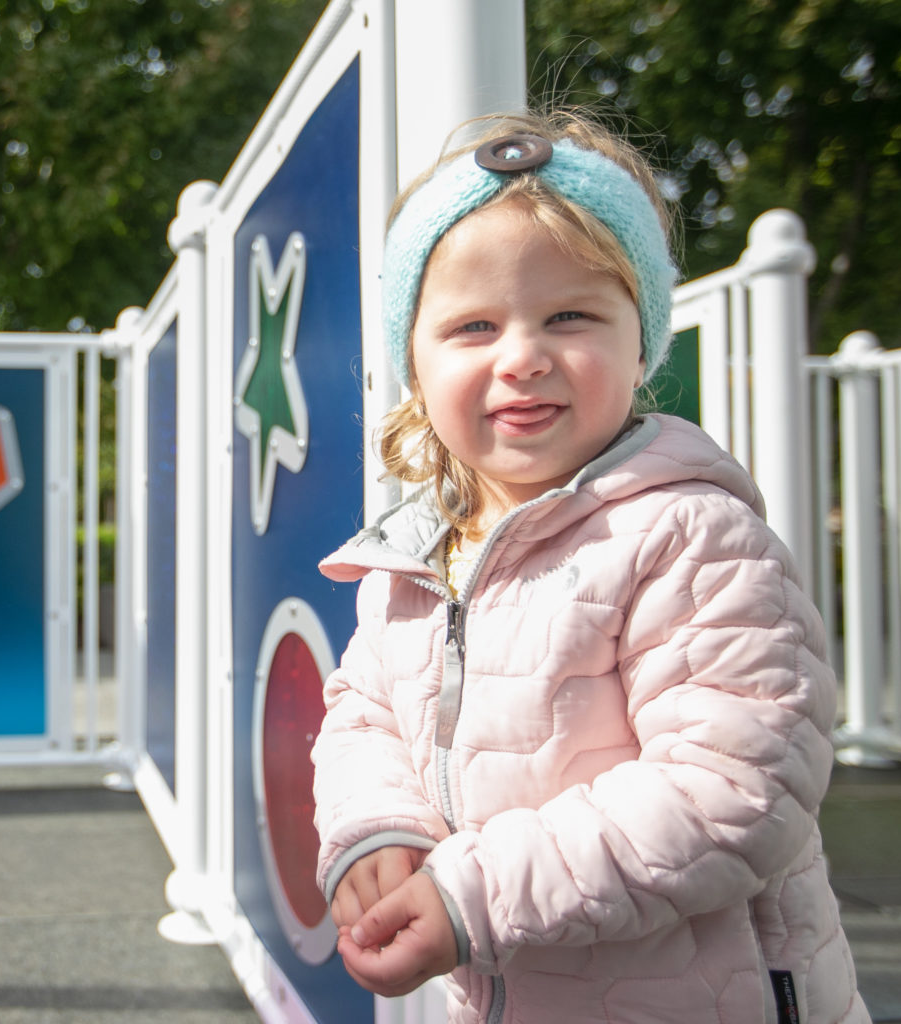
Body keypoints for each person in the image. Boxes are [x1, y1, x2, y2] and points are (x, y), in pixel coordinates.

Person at [310, 109, 867, 1022]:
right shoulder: (415, 556)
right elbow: (363, 715)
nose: (523, 356)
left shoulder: (688, 535)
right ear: (413, 361)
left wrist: (471, 898)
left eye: (569, 315)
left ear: (641, 341)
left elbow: (734, 788)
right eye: (474, 326)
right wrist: (377, 829)